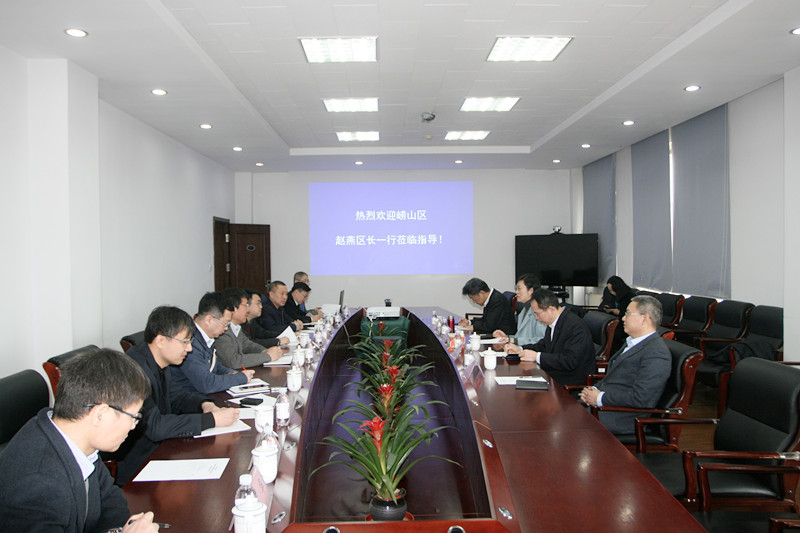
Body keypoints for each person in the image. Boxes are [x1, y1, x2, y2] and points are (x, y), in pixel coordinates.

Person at [0, 349, 159, 532]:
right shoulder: (38, 483)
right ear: (100, 414)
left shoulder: (76, 440)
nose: (133, 426)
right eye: (133, 417)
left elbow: (109, 498)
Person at [111, 306, 242, 485]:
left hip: (165, 448)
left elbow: (177, 396)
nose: (189, 348)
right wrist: (211, 420)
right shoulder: (135, 371)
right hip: (141, 465)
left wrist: (205, 404)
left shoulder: (160, 361)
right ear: (161, 340)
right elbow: (155, 426)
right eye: (184, 342)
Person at [580, 295, 671, 434]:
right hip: (606, 407)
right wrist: (592, 390)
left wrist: (599, 398)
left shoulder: (656, 353)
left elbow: (642, 398)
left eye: (628, 314)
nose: (623, 318)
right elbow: (612, 379)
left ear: (645, 318)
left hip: (623, 417)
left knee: (566, 426)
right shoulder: (633, 342)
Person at [504, 288, 596, 386]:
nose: (536, 318)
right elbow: (544, 346)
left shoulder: (575, 326)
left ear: (551, 309)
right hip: (553, 375)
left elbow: (570, 361)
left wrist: (537, 356)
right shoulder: (554, 322)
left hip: (568, 382)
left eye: (537, 314)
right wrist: (520, 349)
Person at [170, 291, 254, 394]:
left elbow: (215, 366)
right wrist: (241, 378)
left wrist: (230, 373)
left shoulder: (206, 337)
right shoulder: (190, 341)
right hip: (188, 399)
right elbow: (206, 384)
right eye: (225, 323)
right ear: (209, 320)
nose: (226, 328)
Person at [215, 288, 283, 368]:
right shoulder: (222, 331)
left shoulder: (236, 327)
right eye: (246, 305)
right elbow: (234, 361)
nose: (248, 310)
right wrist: (267, 356)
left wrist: (265, 351)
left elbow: (248, 345)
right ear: (233, 308)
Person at [493, 274, 547, 346]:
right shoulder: (524, 310)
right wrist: (506, 337)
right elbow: (521, 337)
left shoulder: (540, 311)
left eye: (519, 288)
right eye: (516, 289)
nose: (516, 292)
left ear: (530, 290)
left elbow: (541, 340)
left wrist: (514, 340)